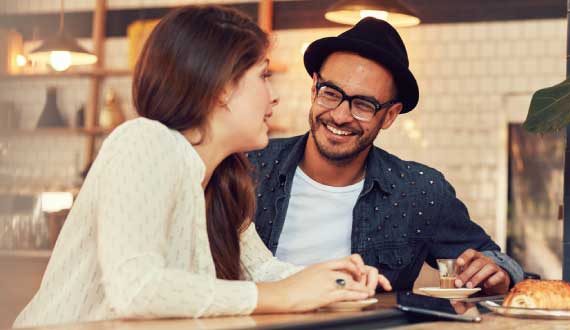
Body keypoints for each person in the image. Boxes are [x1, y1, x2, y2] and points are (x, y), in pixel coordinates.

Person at [14, 6, 389, 327]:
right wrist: (280, 295)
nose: (273, 96)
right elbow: (137, 289)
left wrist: (340, 282)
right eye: (263, 76)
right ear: (221, 87)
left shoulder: (225, 177)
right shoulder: (144, 141)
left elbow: (264, 272)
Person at [247, 17, 522, 295]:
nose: (340, 116)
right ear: (314, 87)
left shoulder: (419, 192)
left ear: (390, 115)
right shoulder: (247, 167)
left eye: (364, 104)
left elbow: (493, 261)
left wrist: (495, 274)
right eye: (330, 93)